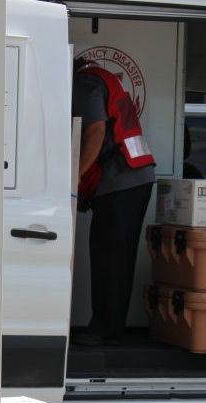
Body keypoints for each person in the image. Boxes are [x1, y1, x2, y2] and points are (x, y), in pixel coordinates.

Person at [72, 59, 156, 346]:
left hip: (123, 180)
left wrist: (73, 180)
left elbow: (95, 131)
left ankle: (106, 329)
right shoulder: (101, 79)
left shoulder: (85, 84)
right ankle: (107, 325)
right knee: (113, 254)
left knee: (110, 256)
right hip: (130, 178)